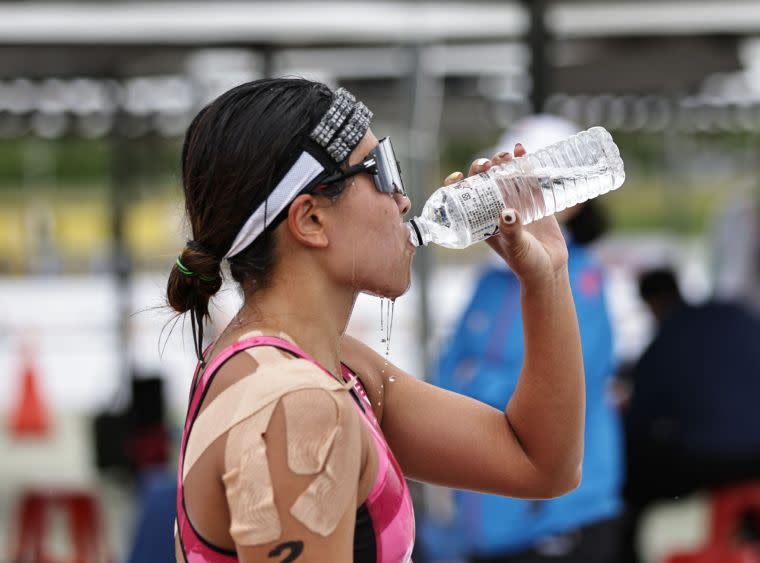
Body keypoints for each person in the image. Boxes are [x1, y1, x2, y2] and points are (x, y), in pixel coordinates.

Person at [166, 78, 585, 562]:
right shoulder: (296, 406)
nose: (404, 201)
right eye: (382, 171)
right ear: (310, 220)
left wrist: (547, 276)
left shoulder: (329, 367)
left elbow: (541, 464)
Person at [418, 188, 624, 560]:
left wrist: (479, 381)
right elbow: (442, 376)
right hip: (487, 516)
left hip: (561, 514)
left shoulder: (583, 277)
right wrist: (502, 386)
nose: (508, 206)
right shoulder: (489, 281)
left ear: (571, 202)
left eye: (524, 192)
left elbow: (563, 395)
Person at [620, 267, 760, 563]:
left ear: (651, 303)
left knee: (628, 479)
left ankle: (627, 552)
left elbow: (639, 422)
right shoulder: (735, 314)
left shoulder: (661, 344)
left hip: (707, 462)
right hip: (756, 455)